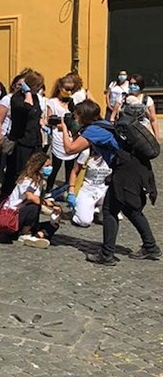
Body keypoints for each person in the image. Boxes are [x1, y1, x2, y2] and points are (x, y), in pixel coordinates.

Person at [60, 99, 159, 264]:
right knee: (129, 209)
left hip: (125, 169)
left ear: (83, 116)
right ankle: (150, 246)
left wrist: (64, 128)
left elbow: (70, 149)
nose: (75, 119)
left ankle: (107, 254)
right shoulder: (102, 124)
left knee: (110, 210)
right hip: (133, 166)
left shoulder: (93, 130)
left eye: (76, 116)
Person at [0, 151, 59, 248]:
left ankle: (38, 234)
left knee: (53, 224)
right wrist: (46, 203)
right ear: (39, 166)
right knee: (34, 206)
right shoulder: (28, 180)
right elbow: (30, 196)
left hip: (23, 216)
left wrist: (54, 210)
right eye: (47, 165)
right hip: (12, 216)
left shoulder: (40, 181)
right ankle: (25, 234)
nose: (49, 168)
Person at [2, 68, 45, 198]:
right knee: (20, 171)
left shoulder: (35, 97)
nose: (39, 88)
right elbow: (27, 108)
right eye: (37, 86)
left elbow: (37, 113)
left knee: (36, 169)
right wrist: (27, 93)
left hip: (35, 139)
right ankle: (12, 196)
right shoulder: (17, 98)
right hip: (22, 140)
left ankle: (33, 193)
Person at [45, 74, 80, 192]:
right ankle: (49, 189)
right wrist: (62, 124)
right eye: (67, 89)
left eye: (71, 90)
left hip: (70, 136)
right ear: (60, 88)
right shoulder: (52, 102)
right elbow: (49, 119)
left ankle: (66, 189)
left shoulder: (71, 102)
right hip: (58, 135)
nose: (69, 92)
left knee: (70, 166)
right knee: (56, 165)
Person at [68, 149, 112, 228]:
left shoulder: (113, 153)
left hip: (105, 189)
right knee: (84, 221)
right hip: (87, 190)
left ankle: (98, 210)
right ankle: (77, 209)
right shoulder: (86, 153)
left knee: (107, 219)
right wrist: (71, 191)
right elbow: (74, 172)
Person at [112, 74, 159, 141]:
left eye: (135, 84)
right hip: (126, 135)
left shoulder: (147, 100)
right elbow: (112, 117)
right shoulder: (122, 98)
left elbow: (153, 120)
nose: (132, 86)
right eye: (131, 84)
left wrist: (156, 138)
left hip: (143, 135)